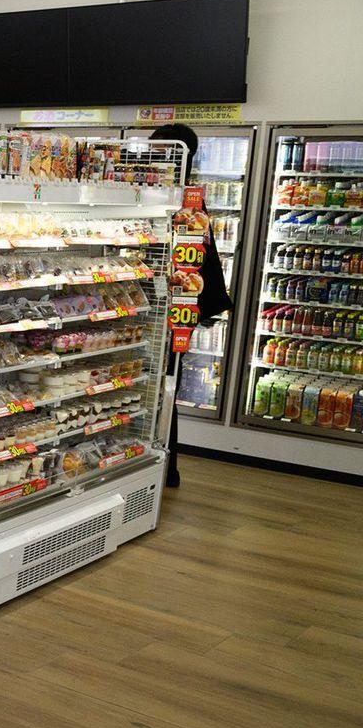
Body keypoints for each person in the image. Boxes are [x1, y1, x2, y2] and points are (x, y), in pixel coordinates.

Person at [149, 123, 233, 488]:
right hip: (176, 308)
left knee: (161, 385)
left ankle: (162, 465)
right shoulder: (190, 201)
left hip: (167, 310)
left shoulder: (180, 202)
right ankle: (165, 467)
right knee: (164, 385)